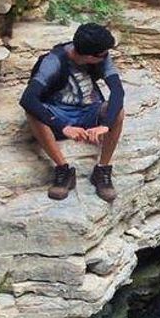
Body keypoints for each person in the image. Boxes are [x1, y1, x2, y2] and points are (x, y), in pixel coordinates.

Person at [19, 22, 125, 202]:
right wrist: (63, 127)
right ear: (91, 56)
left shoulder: (101, 56)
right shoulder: (53, 61)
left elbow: (117, 91)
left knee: (117, 111)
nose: (107, 56)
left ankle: (102, 170)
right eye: (104, 53)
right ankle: (63, 170)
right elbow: (28, 99)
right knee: (34, 113)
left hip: (89, 108)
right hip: (59, 112)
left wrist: (105, 125)